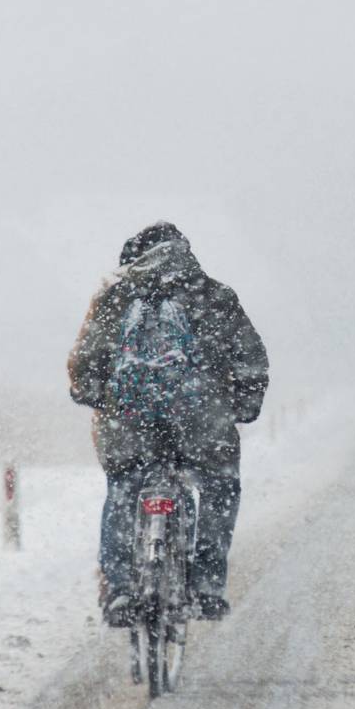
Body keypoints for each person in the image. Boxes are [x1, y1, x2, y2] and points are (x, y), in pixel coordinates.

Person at [68, 221, 268, 623]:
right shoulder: (213, 295)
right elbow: (249, 359)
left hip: (130, 423)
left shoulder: (115, 297)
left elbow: (86, 362)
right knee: (218, 488)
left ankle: (121, 590)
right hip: (201, 423)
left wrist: (90, 393)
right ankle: (207, 587)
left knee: (124, 486)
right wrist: (245, 404)